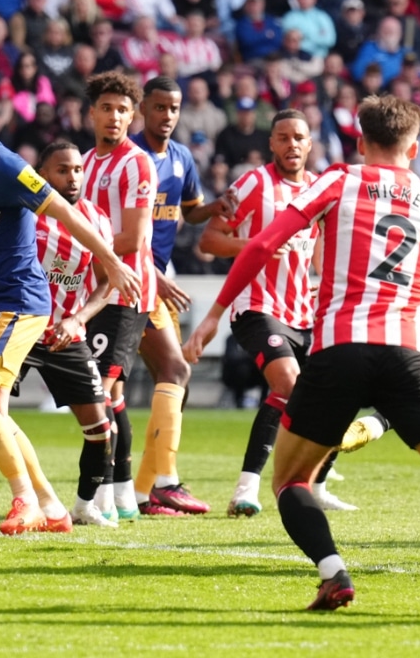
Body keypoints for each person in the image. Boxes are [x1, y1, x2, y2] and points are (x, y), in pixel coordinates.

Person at [184, 96, 420, 615]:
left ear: (359, 142)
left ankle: (333, 574)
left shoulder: (336, 181)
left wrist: (216, 313)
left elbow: (261, 246)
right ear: (414, 147)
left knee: (289, 481)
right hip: (410, 355)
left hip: (339, 351)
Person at [0, 85, 138, 535]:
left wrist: (109, 260)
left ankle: (24, 500)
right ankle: (52, 507)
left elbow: (67, 215)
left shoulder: (7, 166)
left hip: (19, 301)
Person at [199, 110, 370, 516]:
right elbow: (209, 239)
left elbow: (321, 248)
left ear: (310, 145)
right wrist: (252, 245)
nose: (292, 144)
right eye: (283, 137)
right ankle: (247, 489)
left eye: (299, 138)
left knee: (337, 390)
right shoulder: (254, 183)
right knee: (289, 384)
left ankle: (317, 485)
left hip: (305, 310)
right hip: (257, 306)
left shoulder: (317, 188)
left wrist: (324, 282)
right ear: (271, 144)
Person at [127, 76, 234, 515]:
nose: (167, 116)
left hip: (155, 280)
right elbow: (113, 228)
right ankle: (160, 484)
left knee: (175, 381)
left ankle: (143, 490)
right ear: (143, 110)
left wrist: (216, 207)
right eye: (158, 108)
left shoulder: (181, 158)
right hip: (129, 280)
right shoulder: (129, 158)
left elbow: (188, 213)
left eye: (173, 108)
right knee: (172, 372)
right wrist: (154, 273)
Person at [79, 72, 160, 522]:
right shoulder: (86, 162)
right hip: (92, 291)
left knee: (98, 390)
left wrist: (86, 251)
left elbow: (133, 237)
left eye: (123, 110)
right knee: (112, 397)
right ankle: (124, 493)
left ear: (133, 116)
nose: (114, 117)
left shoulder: (137, 164)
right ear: (92, 113)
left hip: (126, 292)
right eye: (106, 108)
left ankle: (98, 497)